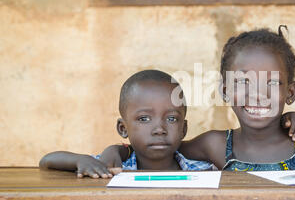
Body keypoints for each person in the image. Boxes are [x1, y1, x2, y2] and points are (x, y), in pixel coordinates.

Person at [102, 27, 295, 176]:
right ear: (224, 91)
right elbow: (155, 147)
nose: (257, 94)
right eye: (243, 83)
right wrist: (112, 151)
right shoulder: (215, 146)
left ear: (290, 93)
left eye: (271, 83)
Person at [39, 70, 217, 178]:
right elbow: (47, 160)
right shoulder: (110, 166)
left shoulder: (204, 171)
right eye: (144, 119)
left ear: (184, 129)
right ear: (122, 128)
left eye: (171, 119)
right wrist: (80, 160)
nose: (159, 129)